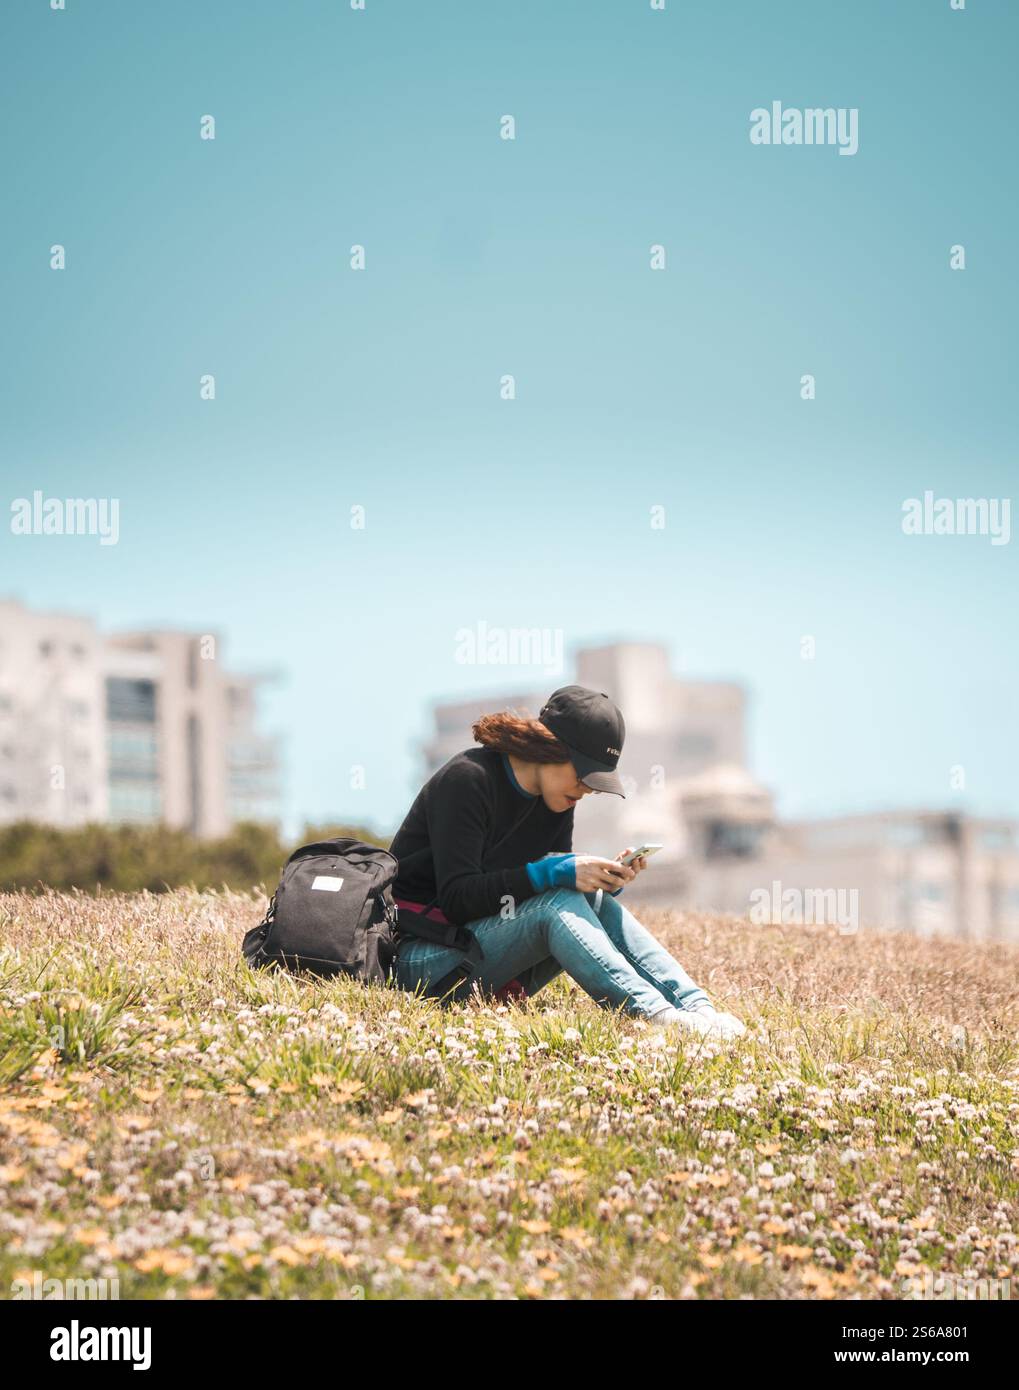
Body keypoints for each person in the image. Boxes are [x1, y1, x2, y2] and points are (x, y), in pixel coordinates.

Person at [389, 685, 746, 1038]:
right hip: (421, 962)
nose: (588, 790)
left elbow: (540, 887)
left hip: (485, 958)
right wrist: (554, 872)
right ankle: (654, 1016)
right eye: (584, 776)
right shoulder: (468, 780)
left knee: (590, 899)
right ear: (550, 749)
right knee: (555, 901)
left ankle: (698, 1008)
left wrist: (599, 880)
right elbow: (458, 899)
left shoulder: (557, 801)